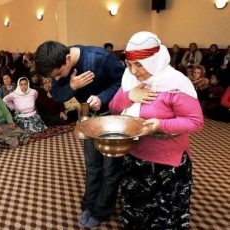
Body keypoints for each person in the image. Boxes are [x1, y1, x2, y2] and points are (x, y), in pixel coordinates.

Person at [109, 31, 204, 229]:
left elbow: (195, 121)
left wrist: (160, 125)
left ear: (153, 61)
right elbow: (114, 108)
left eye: (139, 64)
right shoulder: (131, 79)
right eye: (129, 64)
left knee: (164, 215)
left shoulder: (175, 84)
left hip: (167, 163)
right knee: (136, 210)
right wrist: (129, 95)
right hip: (135, 155)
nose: (133, 71)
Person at [35, 40, 125, 228]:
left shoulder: (100, 58)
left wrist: (103, 97)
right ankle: (89, 204)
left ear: (68, 59)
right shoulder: (56, 63)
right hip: (88, 119)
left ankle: (102, 210)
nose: (58, 78)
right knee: (92, 166)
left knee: (110, 170)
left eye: (59, 74)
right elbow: (58, 95)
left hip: (112, 119)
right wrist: (73, 85)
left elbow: (125, 81)